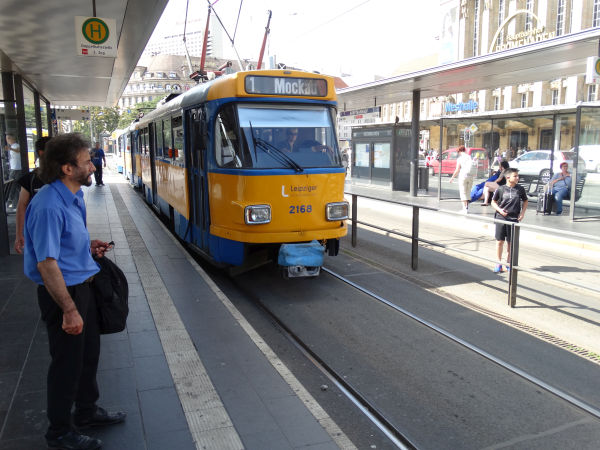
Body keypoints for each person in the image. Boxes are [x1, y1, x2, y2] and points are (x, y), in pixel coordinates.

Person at [24, 133, 125, 450]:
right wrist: (69, 310)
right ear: (67, 168)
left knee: (87, 356)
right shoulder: (48, 206)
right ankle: (59, 432)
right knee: (66, 363)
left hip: (84, 286)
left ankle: (86, 411)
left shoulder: (74, 196)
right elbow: (47, 264)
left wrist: (87, 244)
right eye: (86, 161)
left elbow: (66, 244)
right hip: (64, 294)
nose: (93, 165)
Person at [14, 136, 51, 254]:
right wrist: (19, 234)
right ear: (41, 153)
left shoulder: (64, 177)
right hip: (38, 232)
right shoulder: (30, 179)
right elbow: (22, 206)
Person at [491, 168, 528, 273]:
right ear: (508, 177)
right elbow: (493, 202)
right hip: (501, 219)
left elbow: (525, 201)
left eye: (517, 176)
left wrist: (522, 213)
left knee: (511, 243)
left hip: (513, 219)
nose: (517, 178)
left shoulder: (520, 189)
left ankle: (508, 262)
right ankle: (498, 262)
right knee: (499, 241)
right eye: (515, 176)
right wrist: (500, 210)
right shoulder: (501, 189)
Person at [449, 145, 474, 213]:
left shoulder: (460, 159)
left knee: (463, 192)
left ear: (459, 151)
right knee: (468, 191)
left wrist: (452, 178)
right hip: (470, 176)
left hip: (463, 175)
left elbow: (457, 170)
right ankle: (467, 207)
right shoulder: (469, 157)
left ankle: (464, 208)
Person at [4, 133, 21, 209]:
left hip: (15, 169)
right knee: (16, 186)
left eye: (8, 138)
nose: (7, 140)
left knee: (12, 185)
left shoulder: (16, 146)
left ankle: (10, 202)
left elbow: (18, 150)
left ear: (12, 139)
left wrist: (10, 149)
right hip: (14, 168)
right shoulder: (13, 146)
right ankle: (15, 204)